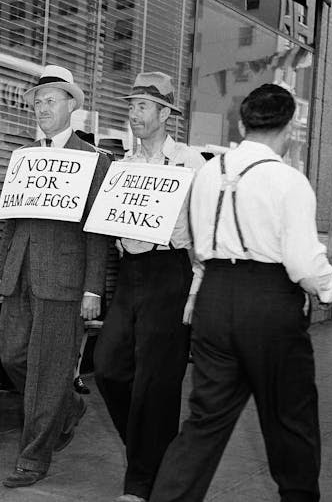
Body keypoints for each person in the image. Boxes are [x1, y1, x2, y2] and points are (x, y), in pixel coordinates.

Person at [151, 84, 332, 502]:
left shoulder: (205, 174)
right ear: (290, 128)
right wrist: (327, 290)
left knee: (204, 421)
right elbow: (303, 262)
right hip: (270, 301)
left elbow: (199, 249)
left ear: (240, 123)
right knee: (290, 417)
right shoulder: (289, 181)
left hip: (215, 298)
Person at [0, 64, 110, 488]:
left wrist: (93, 288)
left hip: (65, 280)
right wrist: (2, 270)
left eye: (51, 101)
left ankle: (33, 459)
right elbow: (12, 218)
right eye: (37, 102)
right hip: (20, 273)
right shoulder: (24, 156)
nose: (42, 108)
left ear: (72, 106)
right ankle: (68, 408)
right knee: (11, 354)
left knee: (46, 370)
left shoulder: (94, 160)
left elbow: (98, 231)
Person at [94, 72, 205, 502]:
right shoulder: (122, 166)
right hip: (130, 273)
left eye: (142, 107)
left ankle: (140, 482)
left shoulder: (191, 164)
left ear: (164, 114)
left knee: (156, 383)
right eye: (131, 106)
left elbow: (203, 233)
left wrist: (196, 291)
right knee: (108, 367)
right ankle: (150, 453)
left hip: (171, 271)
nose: (133, 114)